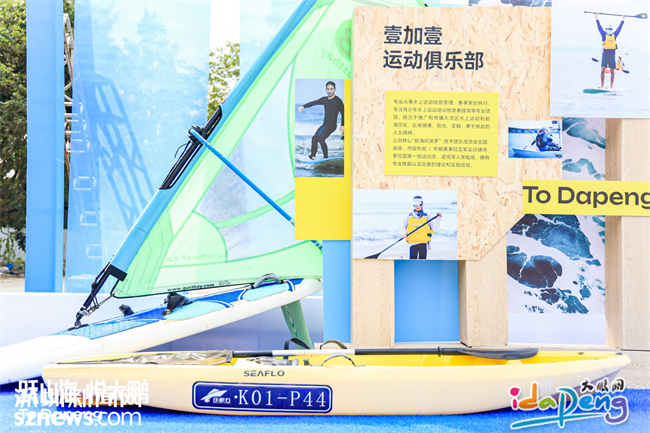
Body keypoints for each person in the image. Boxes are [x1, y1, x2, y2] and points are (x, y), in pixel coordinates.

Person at [298, 81, 344, 160]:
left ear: (335, 89)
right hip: (325, 124)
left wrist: (343, 125)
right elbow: (314, 102)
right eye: (328, 89)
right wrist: (304, 106)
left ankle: (325, 157)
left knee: (321, 139)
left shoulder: (337, 100)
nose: (330, 91)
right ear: (326, 89)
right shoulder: (324, 99)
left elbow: (344, 113)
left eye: (331, 89)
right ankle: (312, 156)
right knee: (314, 138)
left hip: (332, 125)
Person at [402, 196, 442, 260]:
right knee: (413, 262)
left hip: (423, 243)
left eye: (418, 204)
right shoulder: (409, 216)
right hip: (413, 243)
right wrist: (404, 233)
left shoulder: (427, 216)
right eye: (414, 204)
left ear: (422, 203)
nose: (417, 206)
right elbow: (404, 226)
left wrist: (438, 219)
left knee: (422, 262)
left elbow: (434, 228)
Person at [595, 12, 625, 89]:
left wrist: (623, 20)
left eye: (611, 29)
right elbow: (599, 27)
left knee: (612, 71)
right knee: (603, 69)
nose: (609, 30)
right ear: (606, 30)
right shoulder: (603, 35)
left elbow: (619, 28)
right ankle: (602, 85)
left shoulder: (614, 35)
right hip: (605, 55)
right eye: (608, 29)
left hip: (612, 56)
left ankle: (611, 86)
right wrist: (596, 17)